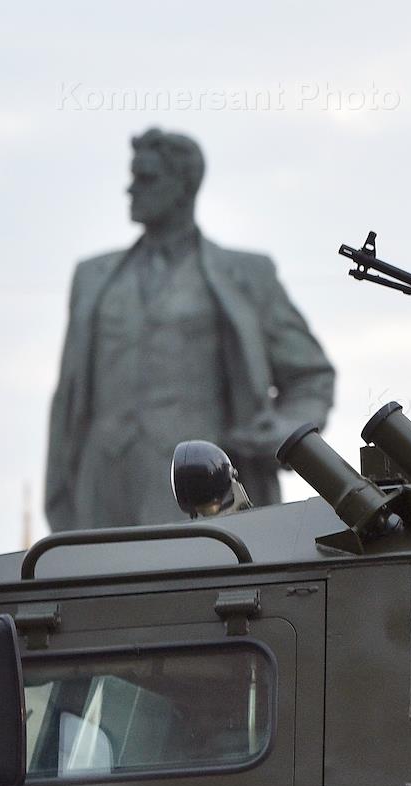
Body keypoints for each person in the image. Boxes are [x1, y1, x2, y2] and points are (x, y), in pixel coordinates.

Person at [45, 128, 335, 530]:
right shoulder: (93, 278)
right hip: (100, 494)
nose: (130, 189)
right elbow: (68, 396)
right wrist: (59, 493)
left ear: (184, 186)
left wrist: (285, 432)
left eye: (146, 178)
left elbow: (310, 375)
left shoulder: (246, 275)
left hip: (203, 490)